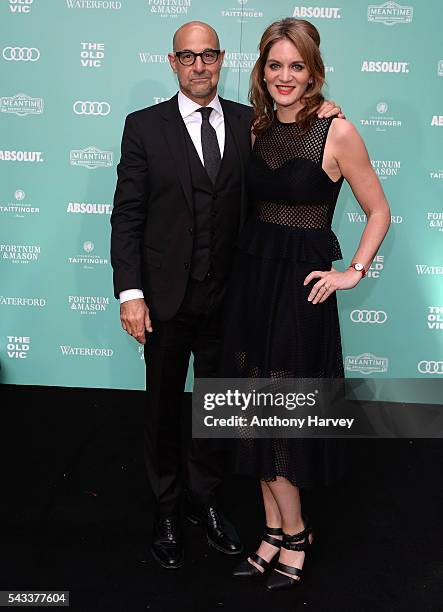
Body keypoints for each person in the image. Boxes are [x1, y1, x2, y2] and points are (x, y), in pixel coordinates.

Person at [110, 20, 342, 570]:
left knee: (219, 411)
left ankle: (204, 499)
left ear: (221, 61)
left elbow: (298, 135)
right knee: (165, 409)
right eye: (187, 57)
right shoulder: (143, 126)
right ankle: (167, 509)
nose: (199, 65)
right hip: (165, 300)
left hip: (236, 301)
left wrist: (325, 110)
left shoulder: (249, 124)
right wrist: (131, 293)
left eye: (209, 55)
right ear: (173, 63)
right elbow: (128, 217)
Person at [220, 18, 391, 590]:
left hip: (299, 289)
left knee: (280, 416)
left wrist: (351, 273)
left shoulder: (335, 131)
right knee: (249, 407)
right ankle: (272, 528)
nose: (285, 76)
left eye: (297, 66)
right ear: (261, 70)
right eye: (275, 65)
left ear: (313, 71)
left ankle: (295, 533)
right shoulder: (255, 127)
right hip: (250, 281)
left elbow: (379, 211)